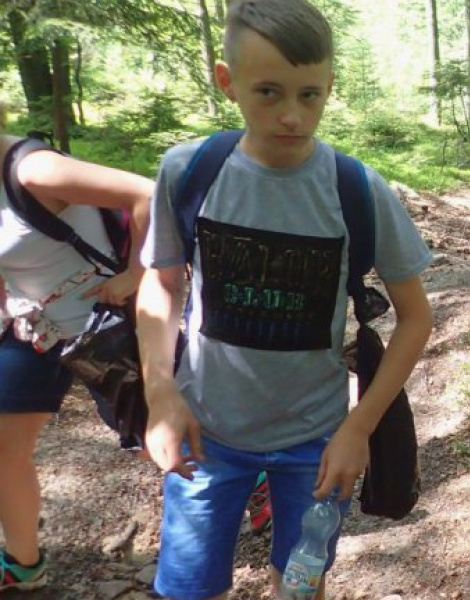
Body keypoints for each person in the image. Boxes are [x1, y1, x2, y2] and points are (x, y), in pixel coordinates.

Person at [134, 1, 435, 599]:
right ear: (228, 83)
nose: (292, 116)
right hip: (206, 431)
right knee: (188, 587)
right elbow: (162, 285)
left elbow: (416, 317)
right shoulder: (189, 171)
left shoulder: (357, 189)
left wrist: (359, 427)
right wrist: (160, 392)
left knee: (299, 585)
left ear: (330, 87)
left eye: (309, 94)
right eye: (268, 92)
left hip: (317, 439)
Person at [0, 105, 153, 591]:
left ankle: (252, 483)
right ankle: (23, 564)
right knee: (3, 446)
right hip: (36, 331)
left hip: (103, 327)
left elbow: (147, 193)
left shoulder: (33, 169)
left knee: (156, 438)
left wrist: (137, 275)